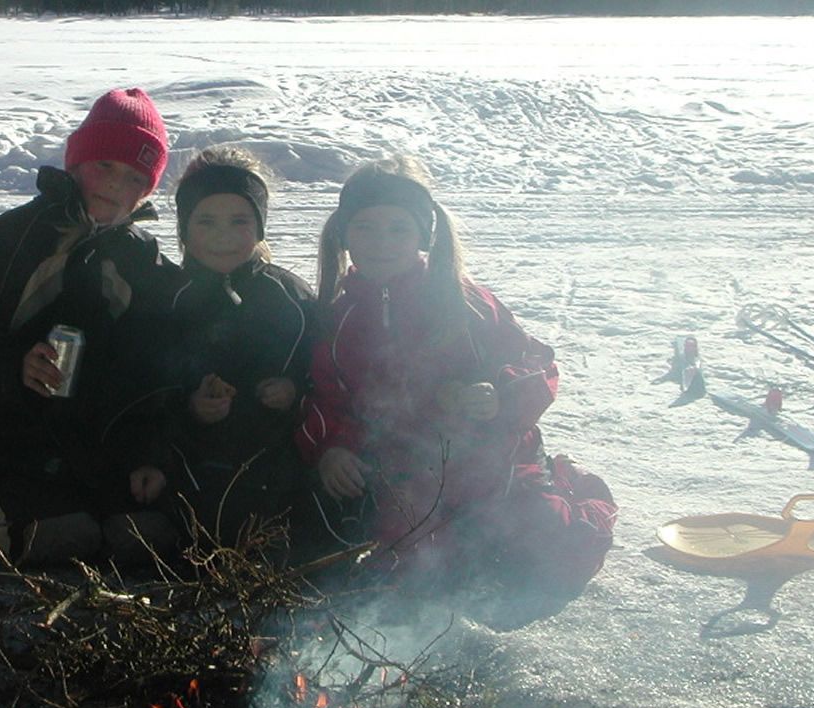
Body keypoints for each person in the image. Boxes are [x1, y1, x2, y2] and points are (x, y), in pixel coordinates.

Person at [295, 155, 617, 599]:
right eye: (365, 227)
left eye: (398, 228)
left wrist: (499, 396)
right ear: (344, 234)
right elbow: (326, 398)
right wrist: (331, 449)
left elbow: (535, 362)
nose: (380, 242)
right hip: (401, 475)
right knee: (407, 572)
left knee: (555, 554)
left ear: (423, 235)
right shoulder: (339, 317)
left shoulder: (464, 302)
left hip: (490, 465)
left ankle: (569, 486)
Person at [0, 87, 182, 567]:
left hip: (97, 449)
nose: (116, 186)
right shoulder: (8, 242)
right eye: (105, 165)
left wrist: (151, 453)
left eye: (136, 177)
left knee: (145, 536)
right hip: (2, 449)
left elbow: (164, 361)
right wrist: (12, 366)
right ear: (76, 162)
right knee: (61, 537)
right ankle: (11, 513)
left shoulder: (142, 257)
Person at [164, 146, 316, 550]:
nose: (223, 235)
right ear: (184, 228)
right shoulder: (168, 298)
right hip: (192, 463)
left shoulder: (290, 296)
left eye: (239, 221)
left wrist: (293, 391)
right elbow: (146, 385)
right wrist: (192, 406)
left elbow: (323, 371)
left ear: (260, 226)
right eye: (206, 221)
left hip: (275, 462)